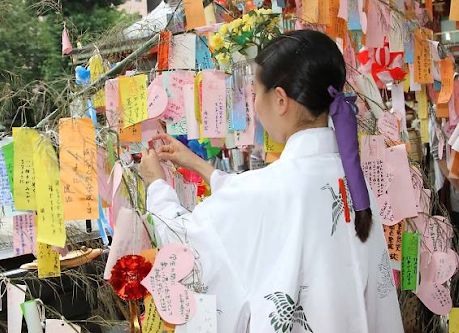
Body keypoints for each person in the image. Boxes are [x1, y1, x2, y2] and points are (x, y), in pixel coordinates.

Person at [139, 30, 404, 332]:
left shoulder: (268, 190)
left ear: (280, 99)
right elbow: (263, 202)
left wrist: (157, 186)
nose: (254, 104)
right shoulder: (351, 179)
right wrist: (197, 164)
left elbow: (186, 246)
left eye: (255, 93)